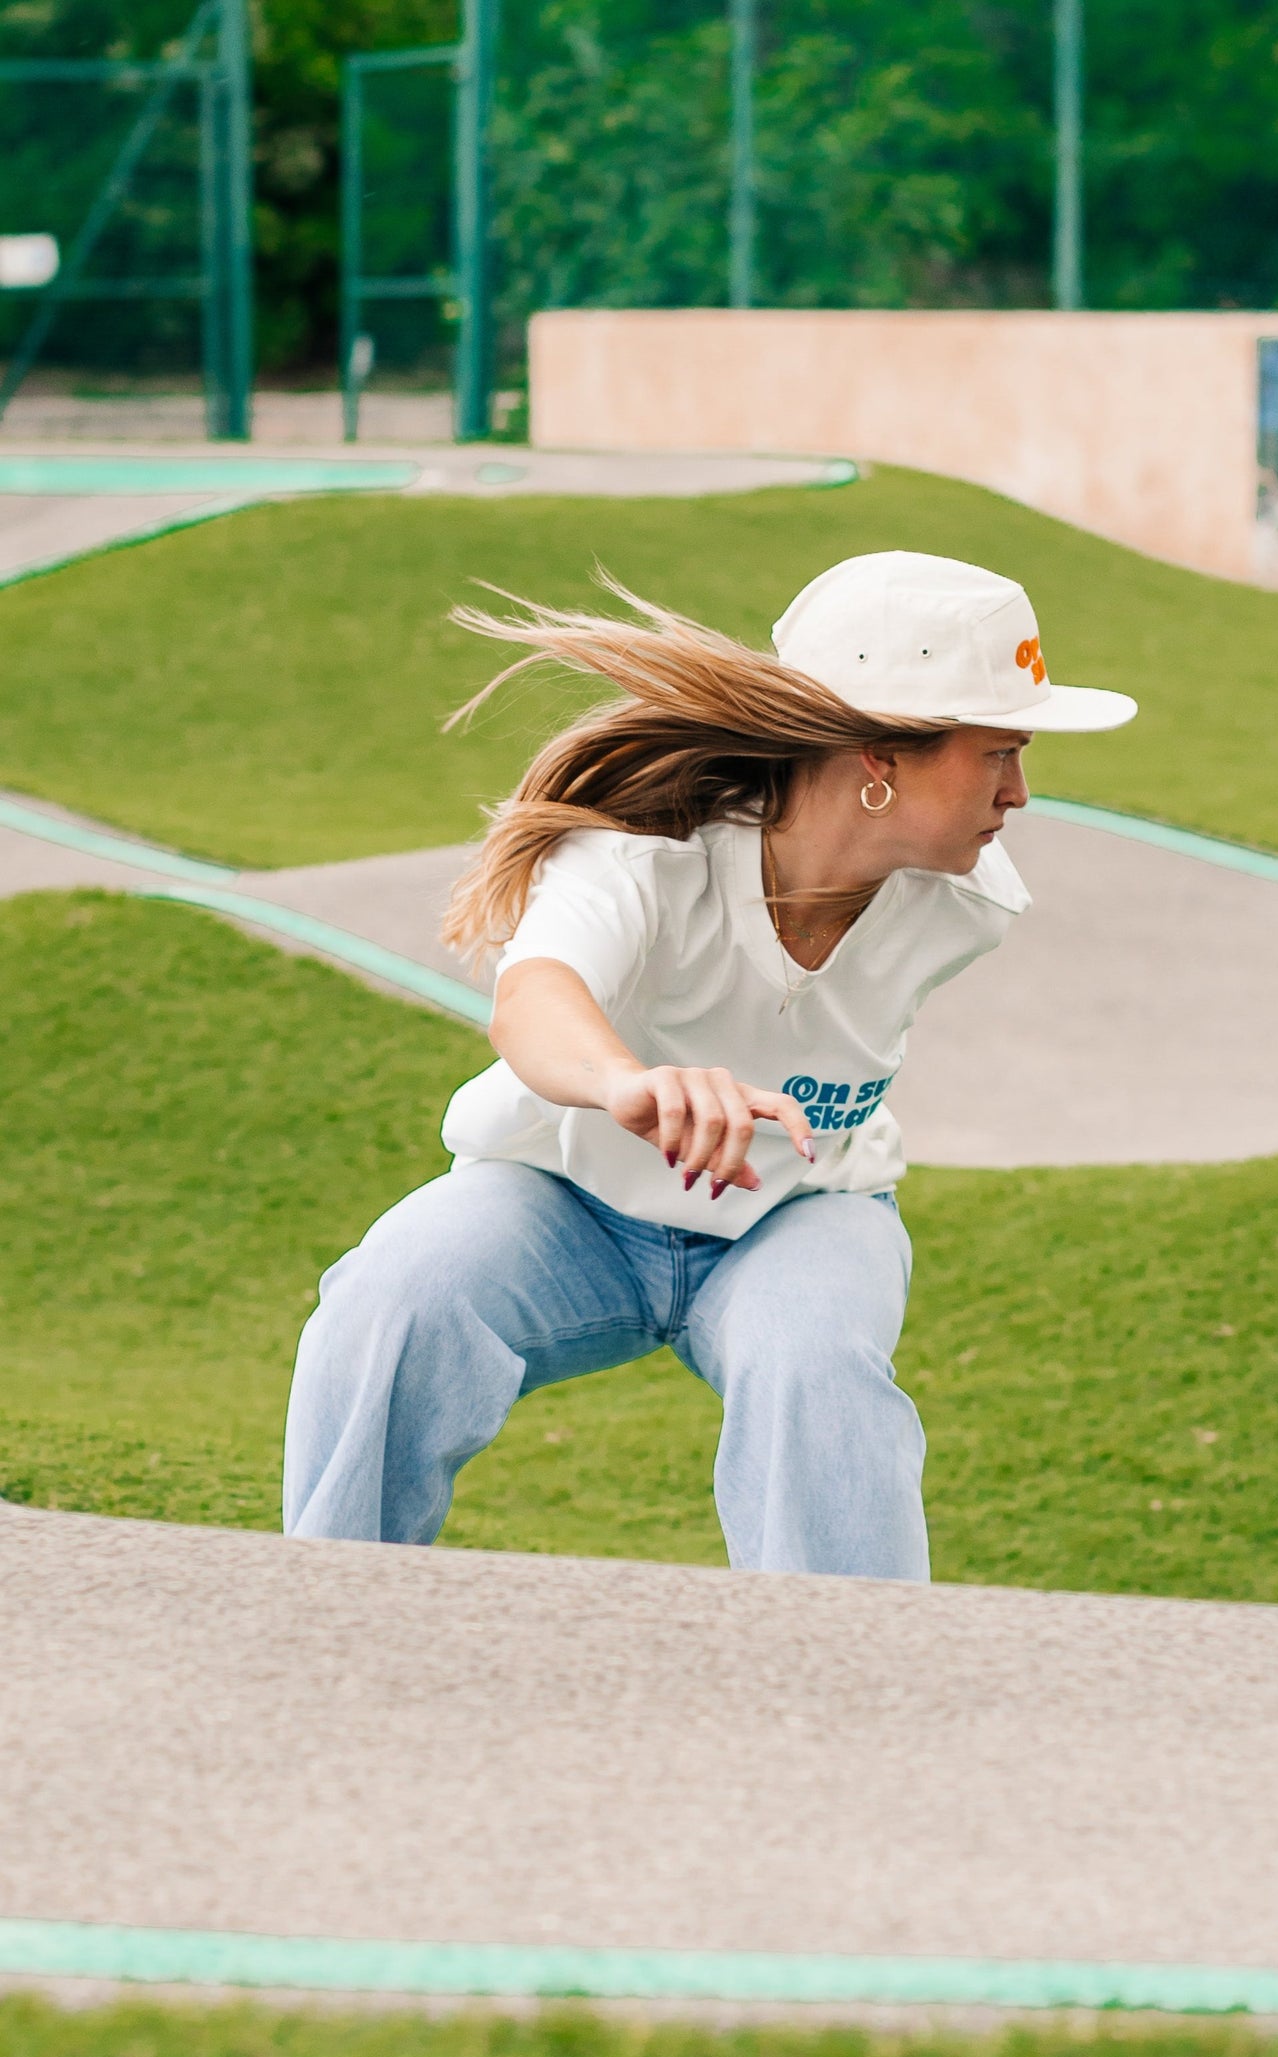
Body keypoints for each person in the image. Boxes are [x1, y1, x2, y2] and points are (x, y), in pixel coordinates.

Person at [283, 550, 1136, 1578]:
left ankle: (847, 1687)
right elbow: (534, 995)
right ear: (879, 755)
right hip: (568, 1199)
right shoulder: (641, 848)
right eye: (997, 751)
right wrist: (622, 1082)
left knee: (812, 1366)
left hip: (799, 1214)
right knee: (392, 1296)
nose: (1019, 792)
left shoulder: (965, 903)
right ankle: (321, 1611)